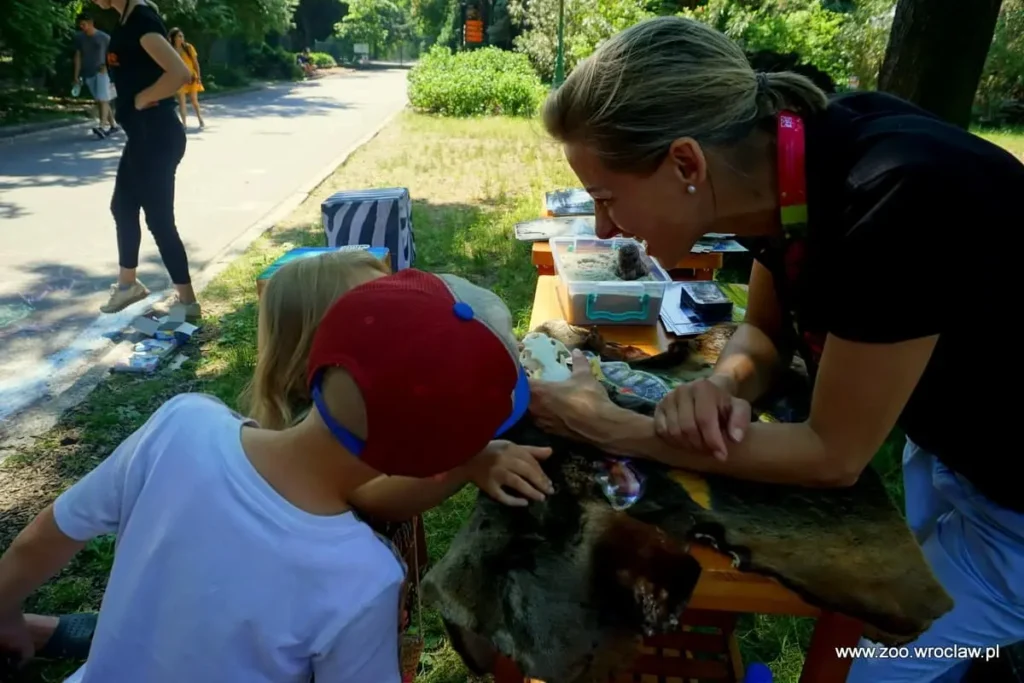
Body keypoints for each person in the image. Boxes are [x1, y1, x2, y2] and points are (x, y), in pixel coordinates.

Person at [529, 15, 1023, 683]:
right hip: (954, 444)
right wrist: (725, 385)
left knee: (866, 666)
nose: (603, 227)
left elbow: (832, 453)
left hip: (1013, 502)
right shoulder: (784, 164)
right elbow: (763, 334)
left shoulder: (895, 196)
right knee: (939, 637)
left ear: (685, 163)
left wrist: (614, 427)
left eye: (607, 197)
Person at [0, 267, 540, 682]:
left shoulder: (182, 424)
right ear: (431, 466)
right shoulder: (362, 578)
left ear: (319, 357)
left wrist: (4, 613)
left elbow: (45, 536)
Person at [91, 0, 199, 321]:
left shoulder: (140, 18)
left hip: (156, 135)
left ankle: (187, 301)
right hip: (144, 136)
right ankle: (128, 284)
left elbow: (181, 72)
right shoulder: (125, 18)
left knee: (158, 218)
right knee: (123, 206)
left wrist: (145, 96)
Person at [72, 13, 117, 139]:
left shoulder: (104, 37)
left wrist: (108, 67)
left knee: (103, 98)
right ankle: (113, 125)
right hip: (88, 72)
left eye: (84, 24)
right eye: (80, 25)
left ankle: (102, 126)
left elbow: (113, 54)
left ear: (91, 23)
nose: (82, 27)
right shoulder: (79, 38)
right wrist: (76, 75)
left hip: (102, 71)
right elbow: (78, 57)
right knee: (100, 99)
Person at [168, 28, 206, 129]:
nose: (181, 38)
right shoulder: (170, 49)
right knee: (181, 101)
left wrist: (199, 76)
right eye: (179, 36)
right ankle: (184, 124)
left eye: (182, 36)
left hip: (192, 77)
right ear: (173, 38)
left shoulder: (188, 48)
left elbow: (195, 63)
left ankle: (200, 119)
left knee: (194, 100)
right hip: (179, 78)